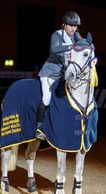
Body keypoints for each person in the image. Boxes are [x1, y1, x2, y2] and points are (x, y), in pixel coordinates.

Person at [35, 11, 83, 140]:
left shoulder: (76, 36)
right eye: (71, 25)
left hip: (65, 74)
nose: (73, 28)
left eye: (75, 26)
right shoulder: (56, 35)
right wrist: (73, 46)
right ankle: (39, 128)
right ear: (64, 25)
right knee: (47, 97)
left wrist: (89, 45)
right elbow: (55, 49)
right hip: (50, 72)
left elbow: (83, 44)